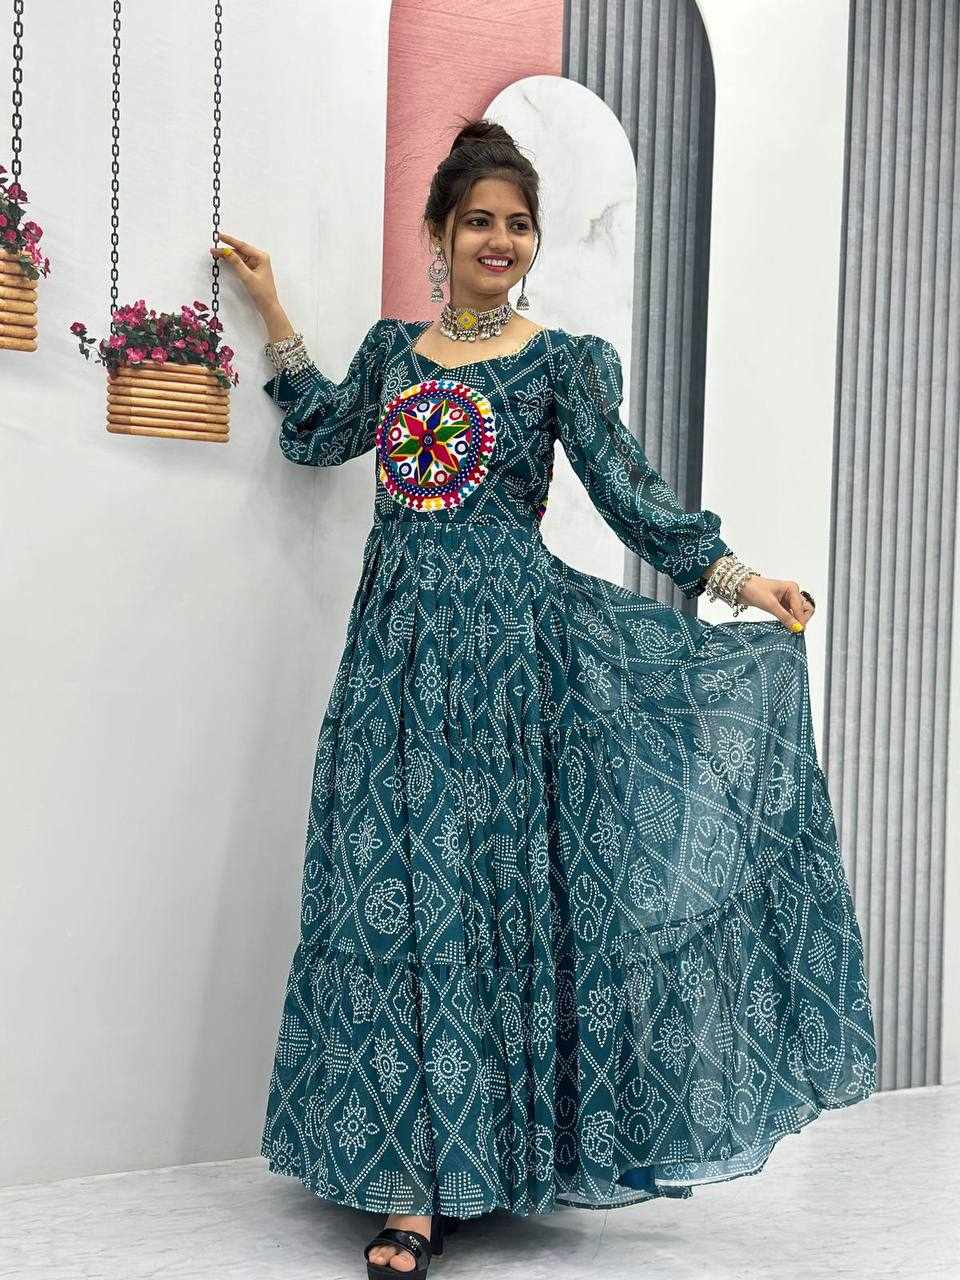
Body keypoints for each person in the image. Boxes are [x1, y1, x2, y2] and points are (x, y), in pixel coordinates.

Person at [213, 117, 877, 1280]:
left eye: (518, 224)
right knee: (391, 900)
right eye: (479, 220)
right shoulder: (397, 353)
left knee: (476, 905)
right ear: (439, 232)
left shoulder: (559, 363)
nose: (500, 240)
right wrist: (273, 310)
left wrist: (736, 579)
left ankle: (451, 1181)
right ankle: (410, 1173)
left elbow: (630, 494)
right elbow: (320, 431)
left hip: (511, 673)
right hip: (391, 667)